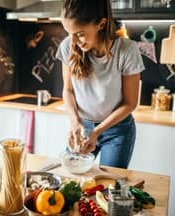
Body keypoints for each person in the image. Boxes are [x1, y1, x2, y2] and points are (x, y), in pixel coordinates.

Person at [56, 0, 145, 169]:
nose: (73, 40)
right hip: (83, 126)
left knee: (109, 186)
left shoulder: (126, 51)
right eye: (69, 33)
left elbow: (130, 103)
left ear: (101, 24)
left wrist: (97, 132)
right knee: (70, 178)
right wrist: (75, 121)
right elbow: (67, 91)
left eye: (80, 34)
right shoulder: (68, 47)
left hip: (117, 130)